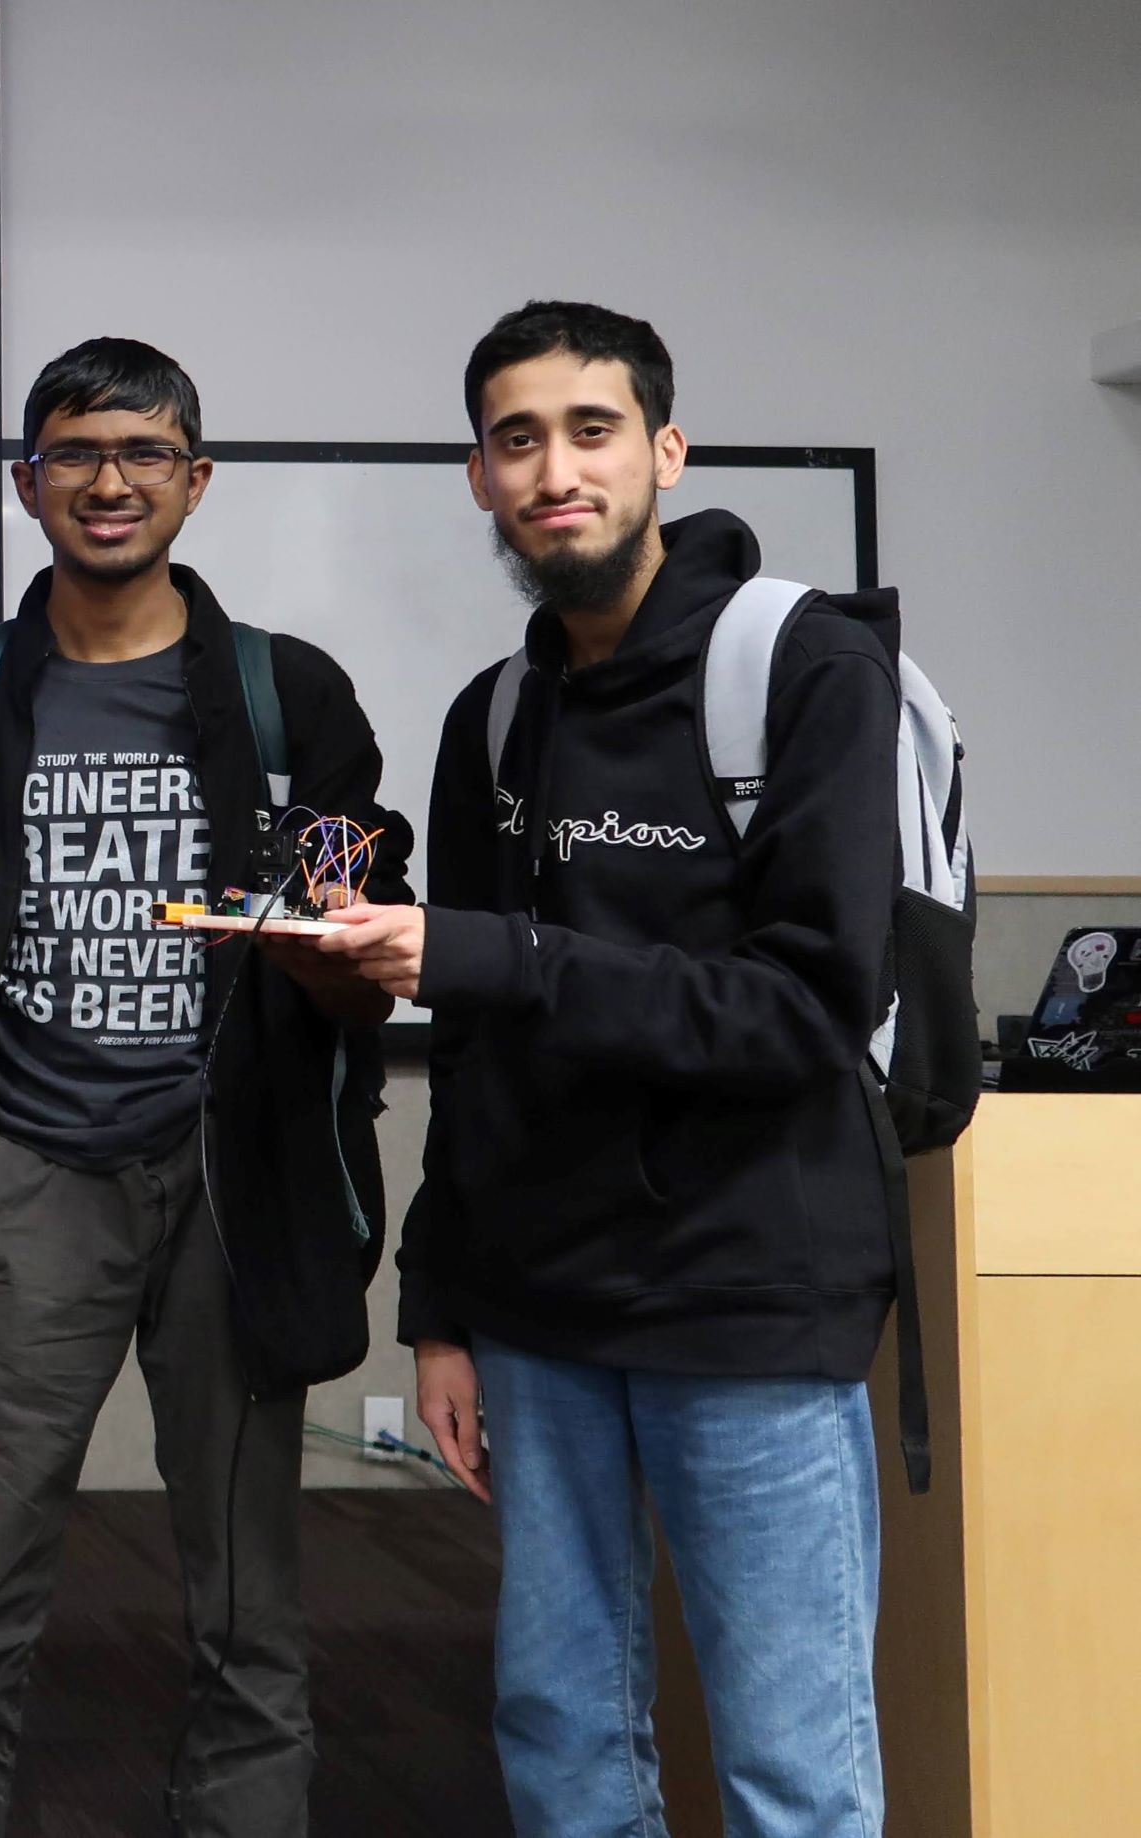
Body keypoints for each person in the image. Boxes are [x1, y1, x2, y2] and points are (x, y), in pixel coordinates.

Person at [0, 338, 410, 1836]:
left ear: (197, 478)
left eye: (145, 452)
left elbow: (358, 960)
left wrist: (320, 943)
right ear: (25, 482)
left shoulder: (289, 697)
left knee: (250, 1615)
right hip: (31, 1176)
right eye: (75, 453)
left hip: (231, 1186)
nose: (109, 480)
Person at [319, 300, 901, 1838]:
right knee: (563, 1739)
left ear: (666, 448)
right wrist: (438, 1309)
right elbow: (479, 1049)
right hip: (537, 1314)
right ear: (478, 476)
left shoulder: (809, 668)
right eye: (518, 439)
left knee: (790, 1766)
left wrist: (494, 953)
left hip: (752, 1299)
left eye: (590, 430)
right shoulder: (495, 717)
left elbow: (804, 1010)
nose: (554, 469)